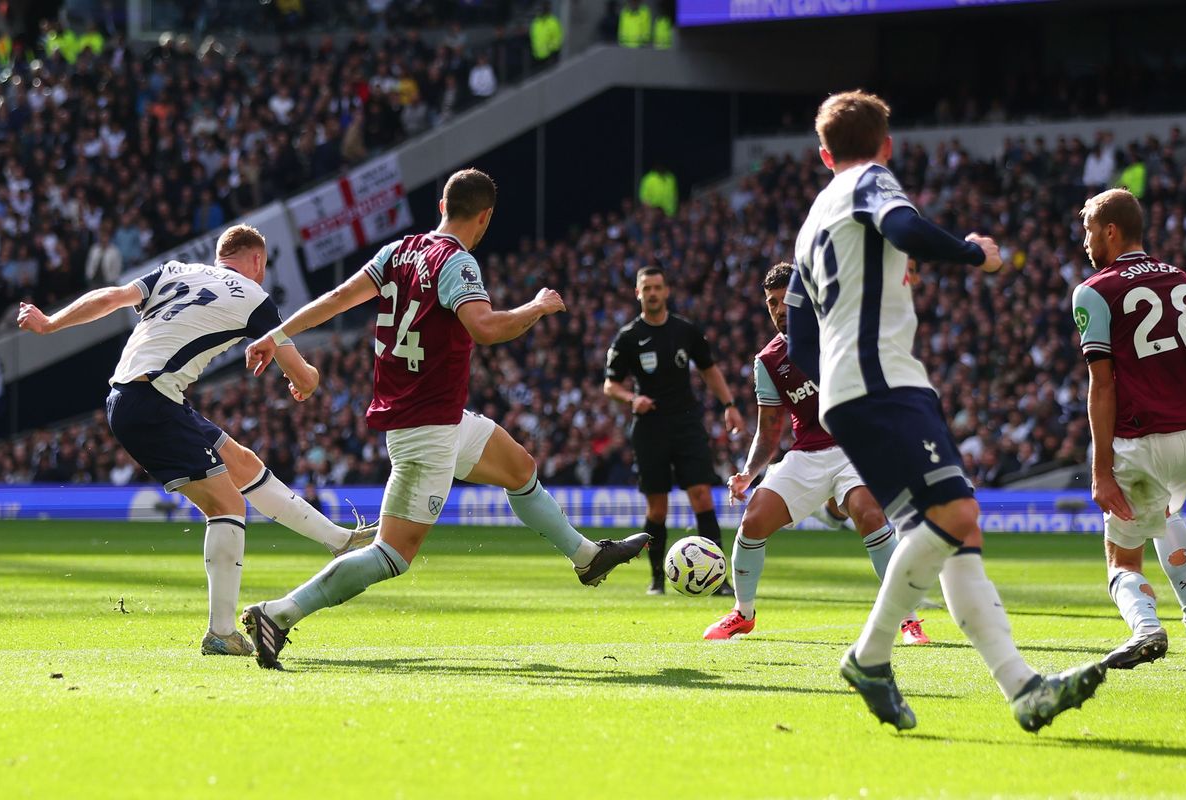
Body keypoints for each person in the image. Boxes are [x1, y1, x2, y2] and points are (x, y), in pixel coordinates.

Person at [786, 90, 1104, 733]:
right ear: (887, 146)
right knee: (956, 515)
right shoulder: (870, 181)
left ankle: (1023, 689)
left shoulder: (812, 219)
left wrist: (839, 392)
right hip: (884, 383)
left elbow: (796, 335)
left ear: (824, 154)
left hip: (855, 391)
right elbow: (903, 227)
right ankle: (869, 657)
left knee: (958, 538)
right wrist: (971, 253)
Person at [241, 169, 649, 670]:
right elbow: (487, 328)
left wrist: (277, 334)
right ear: (485, 217)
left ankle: (587, 557)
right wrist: (538, 307)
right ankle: (278, 614)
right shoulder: (458, 262)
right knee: (392, 555)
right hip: (425, 429)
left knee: (519, 466)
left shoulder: (396, 252)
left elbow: (336, 299)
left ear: (441, 205)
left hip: (443, 419)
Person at [17, 224, 375, 657]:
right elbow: (303, 375)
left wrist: (51, 322)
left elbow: (110, 297)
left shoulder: (174, 271)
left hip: (138, 396)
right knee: (228, 505)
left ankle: (338, 540)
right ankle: (221, 633)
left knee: (240, 462)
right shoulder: (253, 296)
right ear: (257, 261)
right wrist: (307, 382)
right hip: (152, 401)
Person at [703, 262, 928, 645]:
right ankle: (743, 613)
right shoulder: (769, 361)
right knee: (754, 519)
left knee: (868, 512)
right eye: (771, 303)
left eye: (785, 300)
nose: (777, 309)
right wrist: (748, 473)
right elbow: (769, 430)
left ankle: (908, 619)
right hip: (809, 454)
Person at [1072, 188, 1186, 669]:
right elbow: (1183, 371)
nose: (1084, 241)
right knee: (1165, 513)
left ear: (1110, 231)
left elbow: (1102, 386)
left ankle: (1147, 630)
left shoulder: (1094, 291)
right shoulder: (1183, 279)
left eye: (1088, 230)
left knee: (1121, 557)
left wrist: (1101, 470)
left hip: (1148, 441)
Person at [603, 266, 744, 595]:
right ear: (638, 293)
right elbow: (610, 385)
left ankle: (718, 579)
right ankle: (656, 580)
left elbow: (710, 370)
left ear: (666, 291)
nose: (652, 293)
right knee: (657, 507)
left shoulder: (685, 331)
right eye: (646, 288)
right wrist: (631, 398)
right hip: (650, 429)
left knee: (702, 496)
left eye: (657, 287)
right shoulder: (628, 337)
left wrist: (730, 405)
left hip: (686, 424)